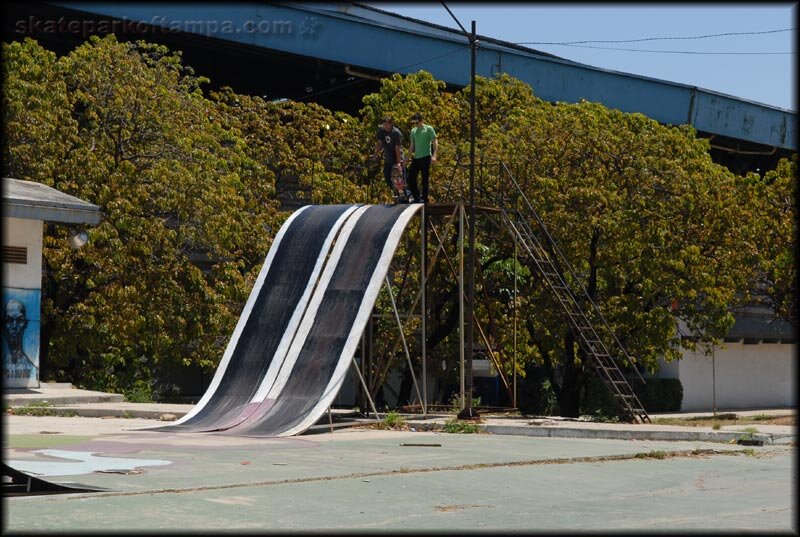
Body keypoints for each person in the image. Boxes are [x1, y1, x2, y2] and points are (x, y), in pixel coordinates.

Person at [406, 112, 438, 204]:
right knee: (410, 178)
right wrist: (406, 160)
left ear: (421, 121)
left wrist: (434, 155)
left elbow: (435, 141)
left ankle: (424, 198)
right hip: (416, 158)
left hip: (426, 157)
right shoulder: (413, 131)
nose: (415, 125)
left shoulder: (428, 129)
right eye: (414, 123)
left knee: (425, 179)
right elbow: (412, 146)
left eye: (417, 123)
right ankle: (416, 197)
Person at [3, 298, 37, 379]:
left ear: (26, 324)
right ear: (3, 324)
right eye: (9, 320)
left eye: (19, 320)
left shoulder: (33, 371)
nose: (14, 326)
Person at [373, 116, 405, 197]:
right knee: (387, 176)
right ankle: (395, 191)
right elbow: (379, 143)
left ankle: (403, 193)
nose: (386, 126)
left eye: (387, 124)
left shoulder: (396, 133)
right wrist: (375, 153)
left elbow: (397, 148)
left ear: (391, 124)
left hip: (397, 157)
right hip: (388, 158)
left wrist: (398, 163)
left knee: (398, 177)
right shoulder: (381, 131)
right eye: (384, 124)